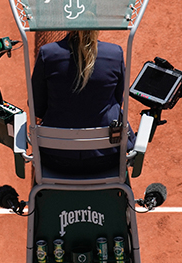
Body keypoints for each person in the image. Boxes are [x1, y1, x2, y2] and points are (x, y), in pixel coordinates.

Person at [31, 30, 135, 175]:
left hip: (56, 160)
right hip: (106, 160)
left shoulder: (47, 53)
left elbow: (37, 108)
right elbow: (118, 100)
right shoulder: (114, 53)